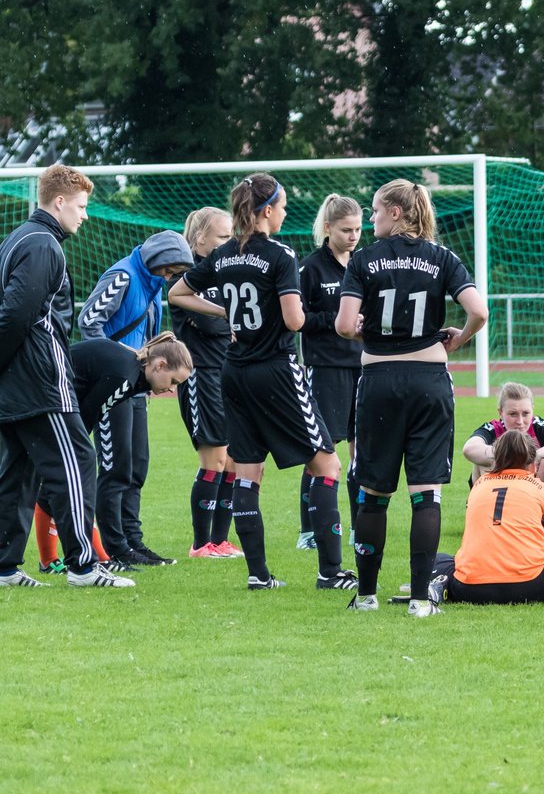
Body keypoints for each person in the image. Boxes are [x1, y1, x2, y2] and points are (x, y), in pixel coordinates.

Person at [169, 172, 353, 591]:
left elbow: (177, 293)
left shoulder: (222, 256)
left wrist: (226, 313)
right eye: (283, 206)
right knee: (327, 463)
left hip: (234, 372)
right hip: (276, 368)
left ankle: (259, 574)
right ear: (267, 210)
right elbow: (294, 320)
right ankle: (330, 573)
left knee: (248, 472)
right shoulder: (280, 255)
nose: (285, 213)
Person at [336, 178, 488, 618]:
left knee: (373, 492)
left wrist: (364, 326)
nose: (372, 218)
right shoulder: (443, 257)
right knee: (426, 493)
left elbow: (345, 326)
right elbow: (479, 311)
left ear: (397, 212)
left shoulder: (363, 259)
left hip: (379, 381)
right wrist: (460, 337)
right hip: (429, 380)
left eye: (377, 210)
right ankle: (421, 601)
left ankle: (365, 595)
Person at [0, 164, 134, 589]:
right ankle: (82, 566)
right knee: (76, 461)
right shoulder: (43, 246)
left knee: (18, 473)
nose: (85, 215)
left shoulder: (17, 238)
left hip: (15, 383)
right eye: (80, 206)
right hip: (40, 382)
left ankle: (3, 567)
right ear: (59, 202)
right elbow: (17, 315)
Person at [78, 229, 194, 566]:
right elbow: (89, 321)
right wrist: (126, 358)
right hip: (113, 382)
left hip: (136, 387)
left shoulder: (153, 283)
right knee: (115, 470)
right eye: (169, 270)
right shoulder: (123, 276)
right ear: (157, 261)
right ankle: (114, 547)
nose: (170, 277)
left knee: (136, 467)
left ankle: (133, 541)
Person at [427, 430, 544, 605]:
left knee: (439, 560)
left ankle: (438, 582)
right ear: (533, 463)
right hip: (533, 586)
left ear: (496, 460)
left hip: (470, 589)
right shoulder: (540, 489)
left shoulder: (479, 486)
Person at [172, 207, 242, 559]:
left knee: (231, 462)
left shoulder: (224, 274)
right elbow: (215, 327)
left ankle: (220, 540)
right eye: (223, 236)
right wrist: (228, 320)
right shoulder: (185, 278)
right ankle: (200, 544)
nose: (230, 243)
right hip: (201, 375)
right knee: (213, 461)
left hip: (228, 374)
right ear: (201, 239)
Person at [297, 194, 364, 550]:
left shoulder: (364, 263)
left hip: (364, 367)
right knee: (321, 451)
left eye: (358, 229)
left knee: (362, 451)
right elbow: (298, 318)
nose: (353, 236)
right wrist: (339, 322)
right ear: (328, 228)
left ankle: (358, 527)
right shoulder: (310, 268)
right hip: (325, 368)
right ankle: (309, 531)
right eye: (346, 230)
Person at [462, 381, 544, 508]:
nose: (520, 421)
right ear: (500, 413)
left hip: (533, 491)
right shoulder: (493, 428)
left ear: (532, 410)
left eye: (525, 413)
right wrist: (508, 455)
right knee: (482, 460)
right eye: (513, 414)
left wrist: (535, 455)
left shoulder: (538, 425)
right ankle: (487, 512)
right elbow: (469, 449)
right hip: (502, 495)